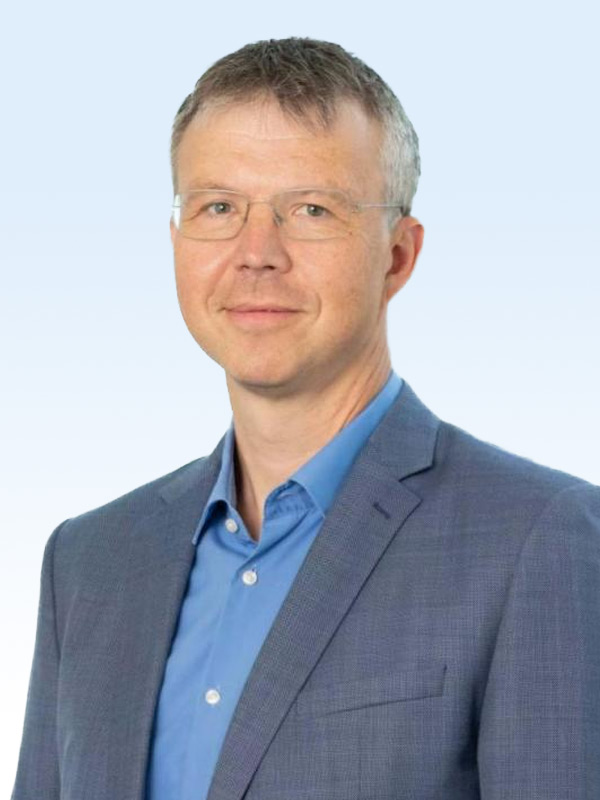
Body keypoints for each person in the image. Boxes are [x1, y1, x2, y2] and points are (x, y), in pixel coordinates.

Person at [11, 37, 600, 800]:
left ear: (398, 255)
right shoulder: (89, 562)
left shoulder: (536, 540)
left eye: (311, 210)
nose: (257, 253)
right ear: (177, 241)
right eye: (219, 207)